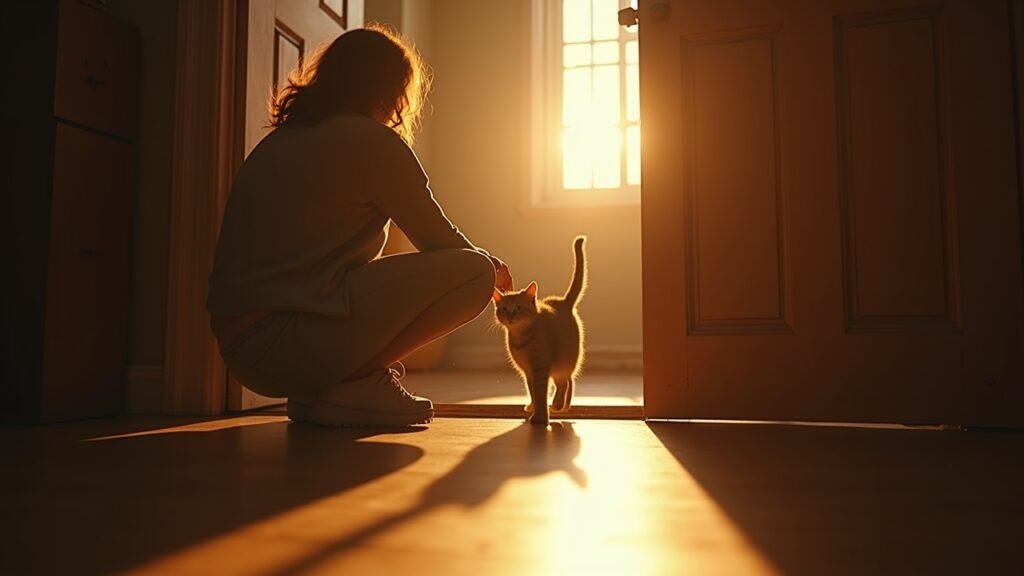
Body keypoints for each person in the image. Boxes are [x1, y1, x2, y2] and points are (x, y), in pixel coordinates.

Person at [206, 25, 513, 427]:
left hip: (239, 350)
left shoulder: (279, 141)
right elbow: (437, 238)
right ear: (390, 89)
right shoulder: (373, 141)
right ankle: (353, 380)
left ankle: (322, 390)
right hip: (286, 339)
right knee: (475, 273)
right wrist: (493, 266)